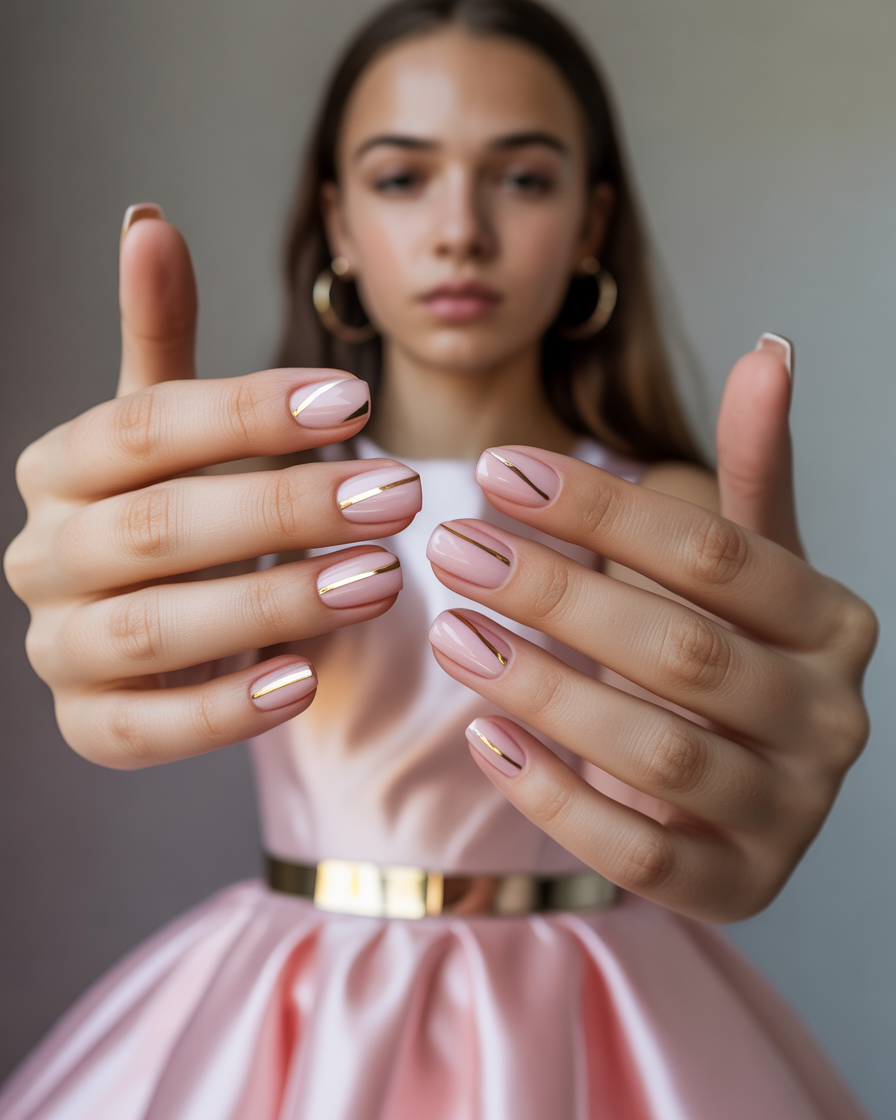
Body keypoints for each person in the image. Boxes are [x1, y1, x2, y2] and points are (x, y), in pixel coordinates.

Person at [0, 0, 877, 1116]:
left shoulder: (663, 519)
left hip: (598, 1023)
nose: (459, 229)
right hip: (288, 1022)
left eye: (520, 178)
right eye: (402, 177)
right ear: (338, 223)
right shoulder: (245, 501)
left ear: (591, 223)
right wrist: (124, 624)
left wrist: (733, 759)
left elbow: (715, 760)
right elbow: (148, 644)